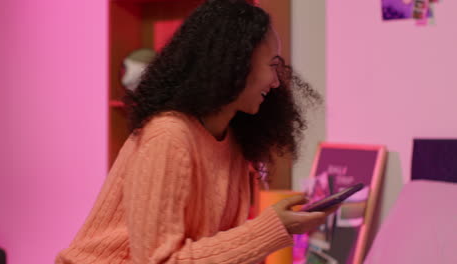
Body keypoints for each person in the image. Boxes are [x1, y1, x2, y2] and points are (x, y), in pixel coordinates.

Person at [55, 0, 338, 263]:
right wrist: (270, 230)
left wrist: (276, 228)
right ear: (234, 65)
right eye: (272, 65)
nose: (277, 82)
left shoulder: (232, 139)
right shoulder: (168, 136)